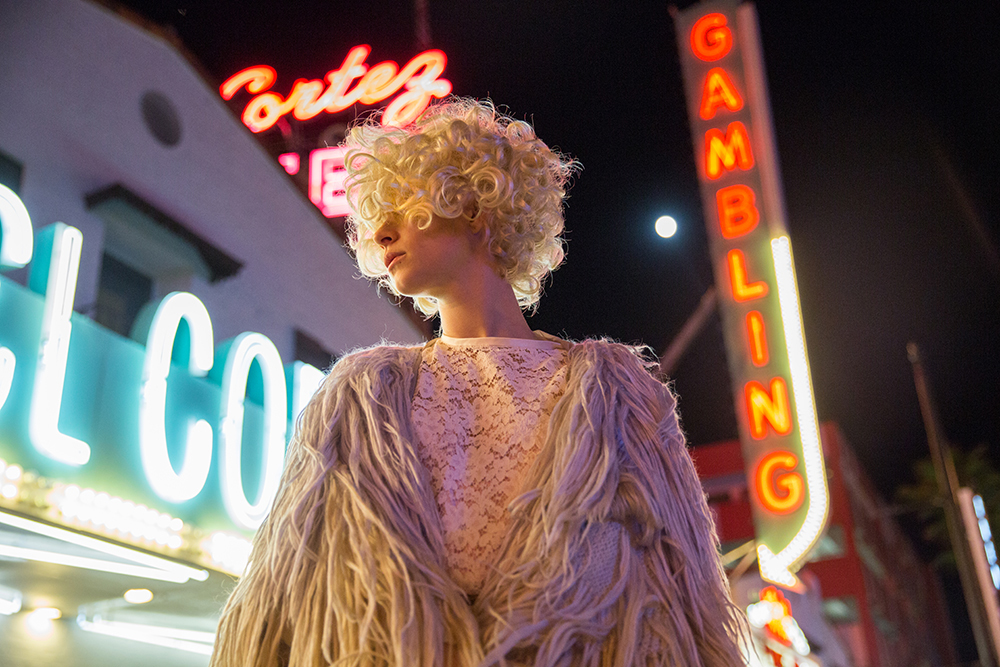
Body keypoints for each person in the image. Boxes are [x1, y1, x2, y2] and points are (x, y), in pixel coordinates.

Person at [210, 97, 746, 667]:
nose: (381, 232)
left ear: (472, 206)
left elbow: (679, 590)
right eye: (374, 220)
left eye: (404, 205)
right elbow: (288, 596)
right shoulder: (362, 398)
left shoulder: (616, 394)